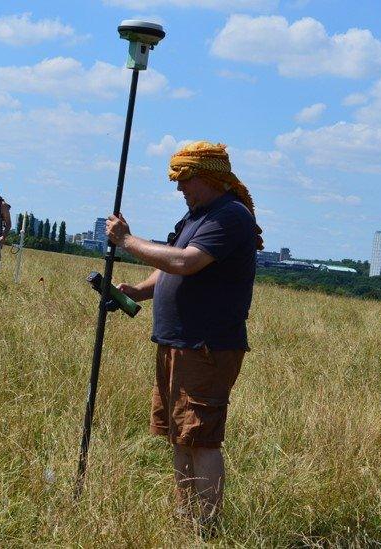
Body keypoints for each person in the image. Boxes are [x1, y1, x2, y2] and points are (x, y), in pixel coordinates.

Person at [105, 141, 263, 525]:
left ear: (210, 177)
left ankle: (206, 526)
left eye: (186, 180)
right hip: (178, 343)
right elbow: (168, 265)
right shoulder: (196, 216)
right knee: (180, 435)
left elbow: (186, 261)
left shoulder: (230, 216)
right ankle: (186, 518)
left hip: (205, 346)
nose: (180, 189)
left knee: (201, 437)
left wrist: (127, 241)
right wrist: (139, 290)